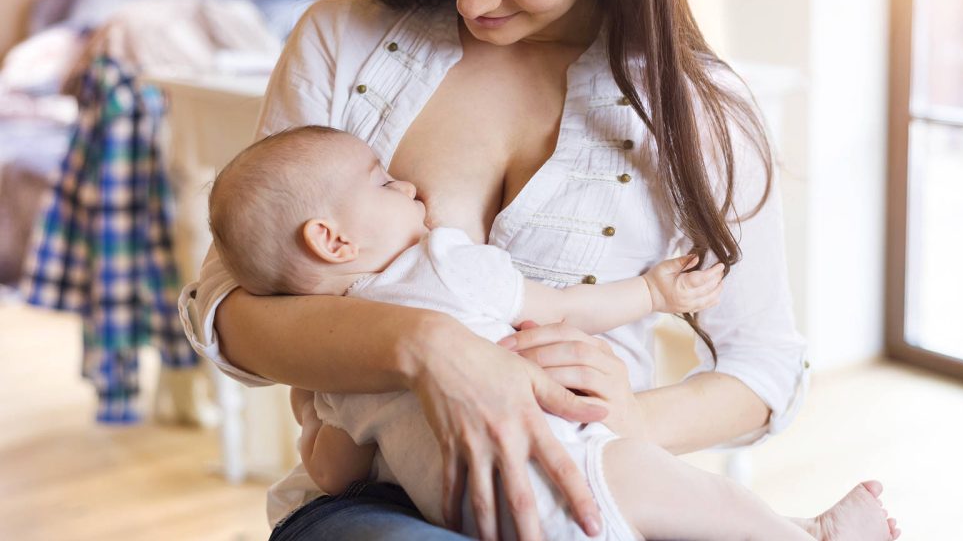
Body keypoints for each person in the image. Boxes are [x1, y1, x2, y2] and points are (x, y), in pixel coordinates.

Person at [176, 0, 895, 539]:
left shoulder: (698, 108)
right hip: (385, 502)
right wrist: (427, 349)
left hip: (585, 469)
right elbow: (226, 311)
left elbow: (765, 366)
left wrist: (628, 418)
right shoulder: (344, 38)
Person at [205, 125, 899, 540]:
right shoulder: (442, 267)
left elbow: (333, 472)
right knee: (700, 502)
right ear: (330, 238)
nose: (409, 186)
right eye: (384, 182)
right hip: (576, 469)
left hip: (480, 516)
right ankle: (800, 535)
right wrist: (651, 293)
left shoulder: (325, 365)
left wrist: (310, 415)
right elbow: (560, 308)